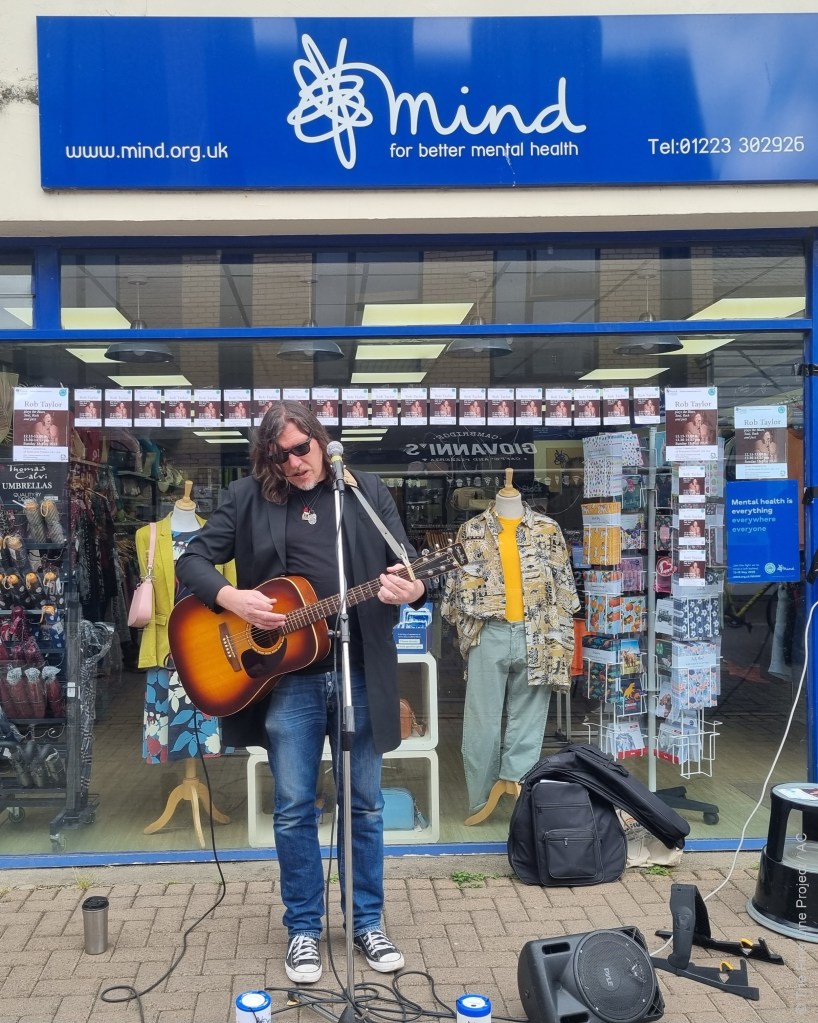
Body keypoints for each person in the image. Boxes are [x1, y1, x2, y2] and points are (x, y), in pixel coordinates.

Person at [175, 400, 426, 985]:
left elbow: (410, 570)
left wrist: (407, 592)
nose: (292, 463)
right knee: (293, 809)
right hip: (287, 678)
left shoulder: (363, 491)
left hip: (359, 669)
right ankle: (304, 931)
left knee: (362, 803)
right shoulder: (247, 498)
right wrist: (230, 599)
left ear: (321, 440)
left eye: (301, 449)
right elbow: (192, 560)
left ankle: (367, 922)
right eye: (279, 454)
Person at [442, 471, 579, 820]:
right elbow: (454, 590)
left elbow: (564, 589)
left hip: (538, 632)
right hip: (488, 632)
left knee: (529, 721)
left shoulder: (548, 529)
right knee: (481, 720)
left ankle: (519, 785)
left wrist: (561, 641)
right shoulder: (472, 530)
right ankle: (481, 799)